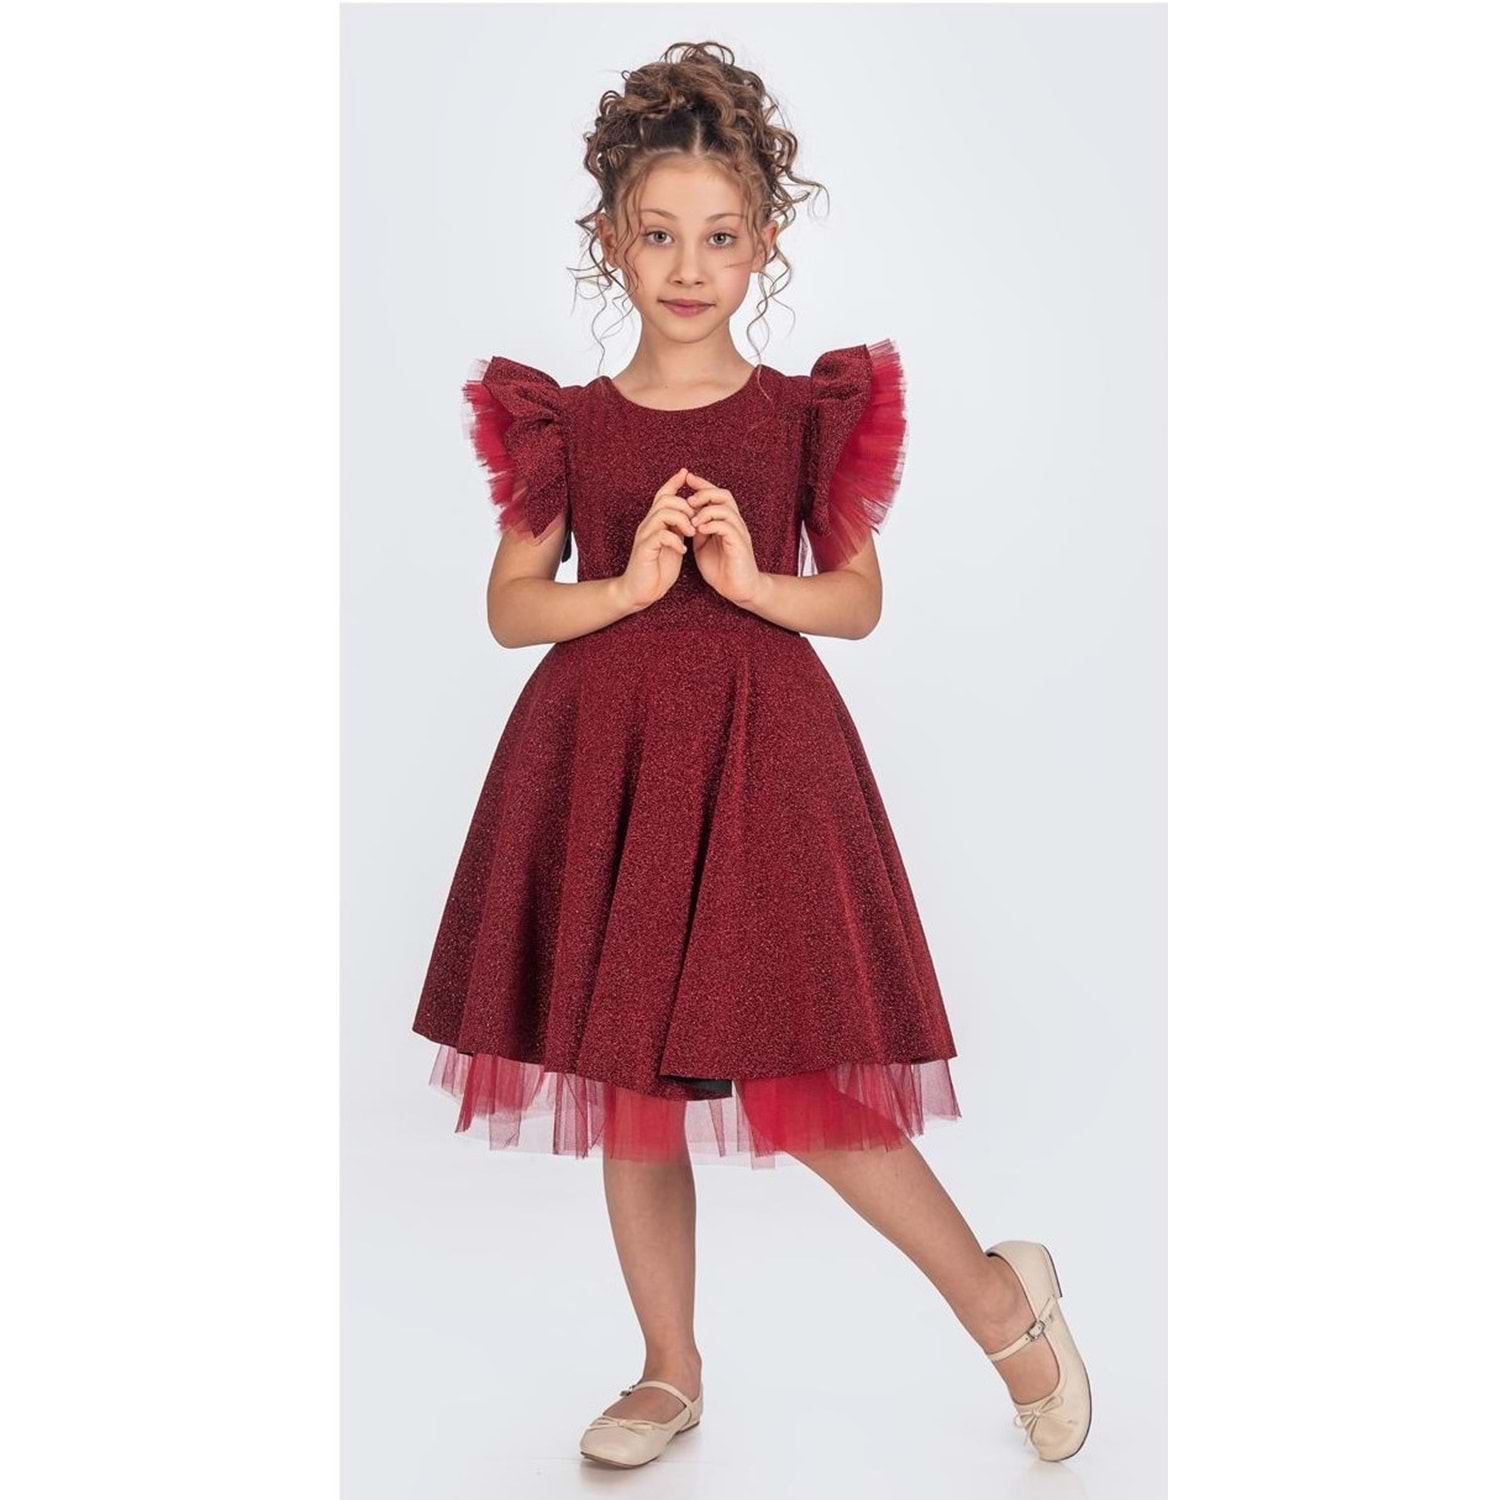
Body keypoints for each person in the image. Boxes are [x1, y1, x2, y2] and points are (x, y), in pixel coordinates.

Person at [411, 39, 1090, 1468]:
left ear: (767, 241)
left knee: (806, 1075)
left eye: (720, 236)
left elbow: (857, 599)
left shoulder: (797, 416)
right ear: (610, 236)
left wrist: (749, 578)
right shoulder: (568, 424)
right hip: (608, 762)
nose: (688, 265)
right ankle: (669, 1370)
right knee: (633, 1084)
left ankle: (999, 1300)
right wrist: (626, 588)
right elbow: (511, 607)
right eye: (657, 234)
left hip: (760, 762)